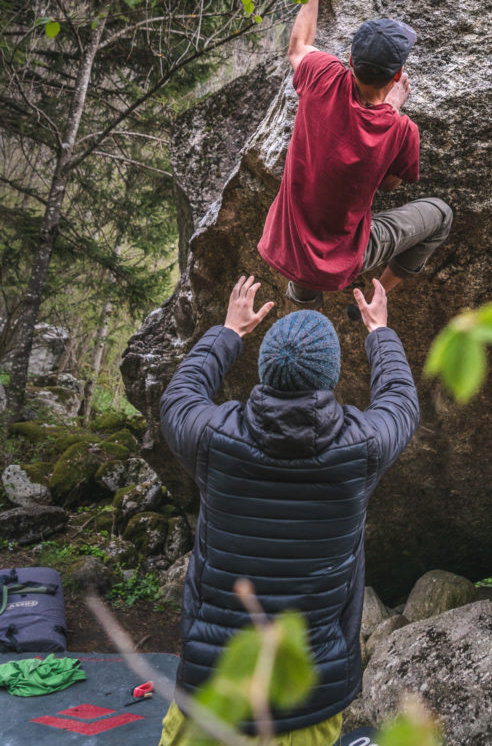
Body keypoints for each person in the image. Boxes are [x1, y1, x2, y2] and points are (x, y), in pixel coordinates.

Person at [157, 274, 419, 746]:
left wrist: (229, 332)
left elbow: (179, 395)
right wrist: (379, 331)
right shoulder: (361, 449)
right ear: (331, 376)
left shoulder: (212, 439)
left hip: (212, 696)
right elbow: (400, 401)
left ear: (265, 369)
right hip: (307, 702)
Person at [257, 0, 453, 307]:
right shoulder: (401, 130)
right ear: (398, 75)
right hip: (347, 254)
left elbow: (298, 46)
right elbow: (390, 184)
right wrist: (391, 112)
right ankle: (375, 298)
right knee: (441, 215)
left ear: (349, 60)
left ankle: (301, 307)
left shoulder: (322, 76)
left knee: (304, 273)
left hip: (286, 243)